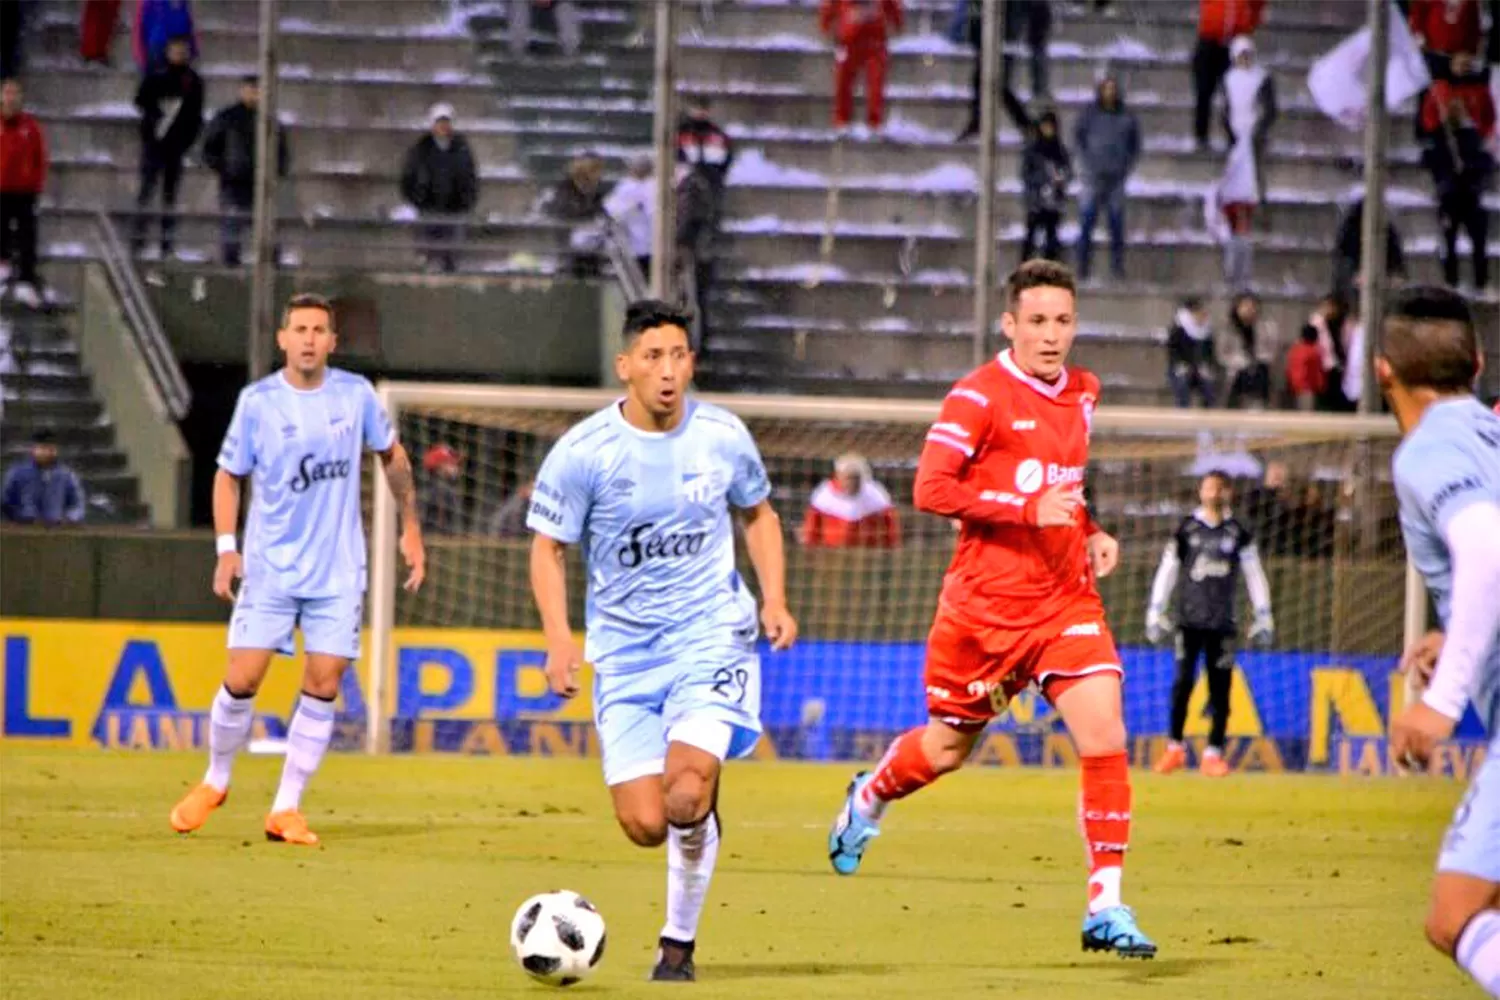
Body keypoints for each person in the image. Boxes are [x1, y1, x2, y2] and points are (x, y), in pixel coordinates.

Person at [826, 260, 1157, 959]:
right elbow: (929, 488)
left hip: (1066, 601)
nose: (1050, 335)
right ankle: (870, 796)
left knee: (1104, 736)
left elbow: (1063, 483)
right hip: (984, 612)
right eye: (1036, 321)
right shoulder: (976, 397)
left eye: (1062, 321)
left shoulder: (1085, 393)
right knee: (946, 749)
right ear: (1009, 324)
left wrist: (1088, 529)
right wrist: (1025, 510)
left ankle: (1106, 902)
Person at [528, 298, 797, 981]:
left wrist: (775, 600)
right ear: (626, 367)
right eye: (653, 357)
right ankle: (698, 815)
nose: (668, 370)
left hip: (711, 636)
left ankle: (677, 946)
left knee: (684, 793)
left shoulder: (723, 436)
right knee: (647, 823)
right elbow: (548, 548)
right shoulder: (585, 453)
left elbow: (759, 515)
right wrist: (560, 640)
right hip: (623, 655)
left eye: (679, 355)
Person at [168, 293, 426, 846]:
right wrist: (226, 548)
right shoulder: (258, 402)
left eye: (319, 330)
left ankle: (285, 809)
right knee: (243, 678)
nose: (309, 338)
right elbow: (226, 475)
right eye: (299, 329)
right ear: (282, 339)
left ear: (333, 342)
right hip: (271, 567)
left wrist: (410, 526)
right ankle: (215, 779)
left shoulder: (356, 396)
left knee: (324, 681)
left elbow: (393, 456)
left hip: (337, 570)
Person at [1381, 286, 1500, 998]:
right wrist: (1459, 630)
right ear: (1478, 364)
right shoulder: (1492, 435)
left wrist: (1442, 702)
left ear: (1382, 371)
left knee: (1455, 917)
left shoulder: (1428, 448)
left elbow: (1487, 550)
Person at [1145, 470, 1274, 777]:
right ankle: (1175, 748)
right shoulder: (1186, 528)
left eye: (1219, 488)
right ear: (1200, 492)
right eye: (1208, 488)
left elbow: (1254, 573)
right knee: (1182, 685)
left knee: (1221, 689)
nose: (1213, 493)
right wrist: (1155, 610)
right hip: (1188, 622)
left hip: (1223, 622)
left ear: (1228, 492)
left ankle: (1213, 753)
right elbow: (1168, 570)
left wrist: (1263, 613)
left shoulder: (1238, 531)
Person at [201, 76, 289, 267]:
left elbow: (281, 151)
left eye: (258, 90)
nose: (254, 94)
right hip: (234, 184)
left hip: (263, 184)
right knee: (232, 228)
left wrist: (277, 172)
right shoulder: (227, 117)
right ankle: (231, 268)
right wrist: (225, 169)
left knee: (268, 230)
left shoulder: (270, 120)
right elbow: (209, 148)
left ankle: (272, 268)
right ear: (242, 91)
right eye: (251, 90)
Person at [131, 35, 203, 260]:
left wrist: (186, 141)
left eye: (183, 51)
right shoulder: (155, 75)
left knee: (169, 198)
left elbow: (196, 115)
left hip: (176, 147)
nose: (179, 55)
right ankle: (138, 241)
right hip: (154, 145)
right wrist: (155, 117)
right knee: (146, 193)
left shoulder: (193, 81)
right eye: (175, 50)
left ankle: (167, 245)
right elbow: (140, 100)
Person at [1421, 86, 1493, 291]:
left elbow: (1485, 162)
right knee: (1448, 242)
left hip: (1470, 196)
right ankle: (1450, 281)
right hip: (1449, 197)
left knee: (1478, 243)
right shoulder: (1438, 137)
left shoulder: (1472, 136)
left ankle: (1481, 282)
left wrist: (1469, 167)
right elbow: (1429, 161)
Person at [1073, 74, 1140, 283]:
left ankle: (1117, 267)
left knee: (1116, 225)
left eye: (1113, 89)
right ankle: (1082, 267)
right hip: (1093, 178)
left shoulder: (1127, 117)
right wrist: (1087, 164)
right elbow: (1078, 139)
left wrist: (1124, 166)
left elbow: (1135, 145)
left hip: (1116, 180)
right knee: (1087, 223)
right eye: (1106, 89)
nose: (1110, 93)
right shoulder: (1089, 116)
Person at [399, 102, 478, 274]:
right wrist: (417, 199)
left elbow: (470, 177)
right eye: (439, 122)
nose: (443, 127)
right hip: (429, 208)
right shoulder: (421, 149)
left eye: (446, 122)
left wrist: (466, 201)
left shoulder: (461, 148)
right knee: (429, 251)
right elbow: (408, 176)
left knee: (452, 252)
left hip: (455, 209)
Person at [820, 0, 903, 136]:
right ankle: (842, 121)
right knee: (843, 83)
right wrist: (826, 23)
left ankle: (874, 123)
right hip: (849, 41)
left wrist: (896, 21)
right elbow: (830, 4)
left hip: (875, 42)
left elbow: (892, 5)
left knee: (876, 85)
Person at [1193, 0, 1265, 151]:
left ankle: (1234, 137)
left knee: (1233, 93)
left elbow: (1258, 5)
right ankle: (1201, 136)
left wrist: (1248, 26)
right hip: (1209, 39)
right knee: (1204, 90)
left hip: (1234, 42)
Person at [0, 78, 46, 307]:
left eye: (15, 93)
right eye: (7, 93)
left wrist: (36, 185)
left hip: (25, 191)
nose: (11, 97)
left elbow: (40, 158)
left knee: (28, 235)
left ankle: (26, 280)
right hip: (0, 190)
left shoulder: (30, 126)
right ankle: (2, 271)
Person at [801, 452, 900, 548]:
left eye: (856, 478)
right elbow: (811, 530)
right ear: (839, 476)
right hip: (832, 554)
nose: (853, 482)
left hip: (867, 554)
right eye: (849, 478)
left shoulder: (876, 495)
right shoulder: (824, 495)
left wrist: (892, 547)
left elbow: (891, 529)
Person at [1, 429, 85, 525]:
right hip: (24, 526)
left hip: (57, 529)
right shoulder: (17, 473)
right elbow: (6, 501)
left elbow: (77, 505)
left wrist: (68, 518)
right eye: (43, 448)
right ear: (34, 449)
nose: (46, 452)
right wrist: (20, 517)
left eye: (51, 449)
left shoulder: (66, 475)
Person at [1020, 109, 1071, 264]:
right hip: (1036, 200)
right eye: (1045, 126)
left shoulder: (1060, 150)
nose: (1047, 130)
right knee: (1031, 236)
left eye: (1051, 127)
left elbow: (1068, 172)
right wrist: (1041, 181)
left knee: (1051, 238)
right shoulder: (1033, 149)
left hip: (1053, 201)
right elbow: (1025, 174)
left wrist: (1060, 178)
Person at [603, 155, 655, 280]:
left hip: (639, 245)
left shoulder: (629, 187)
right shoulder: (651, 186)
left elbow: (611, 210)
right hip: (640, 244)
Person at [1167, 296, 1217, 409]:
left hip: (1200, 368)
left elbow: (1210, 353)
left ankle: (1209, 413)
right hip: (1182, 367)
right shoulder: (1179, 330)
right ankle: (1182, 411)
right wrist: (1180, 365)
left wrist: (1207, 365)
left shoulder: (1207, 331)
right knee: (1182, 382)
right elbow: (1173, 351)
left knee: (1209, 384)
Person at [132, 0, 195, 75]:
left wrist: (192, 46)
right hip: (159, 44)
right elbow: (140, 24)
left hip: (177, 42)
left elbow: (186, 17)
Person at [509, 0, 580, 57]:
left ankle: (571, 51)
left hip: (556, 3)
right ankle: (517, 52)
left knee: (565, 9)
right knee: (519, 7)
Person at [1284, 324, 1326, 411]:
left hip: (1294, 387)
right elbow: (1317, 372)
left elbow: (1289, 369)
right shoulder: (1314, 352)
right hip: (1307, 388)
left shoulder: (1295, 350)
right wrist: (1321, 386)